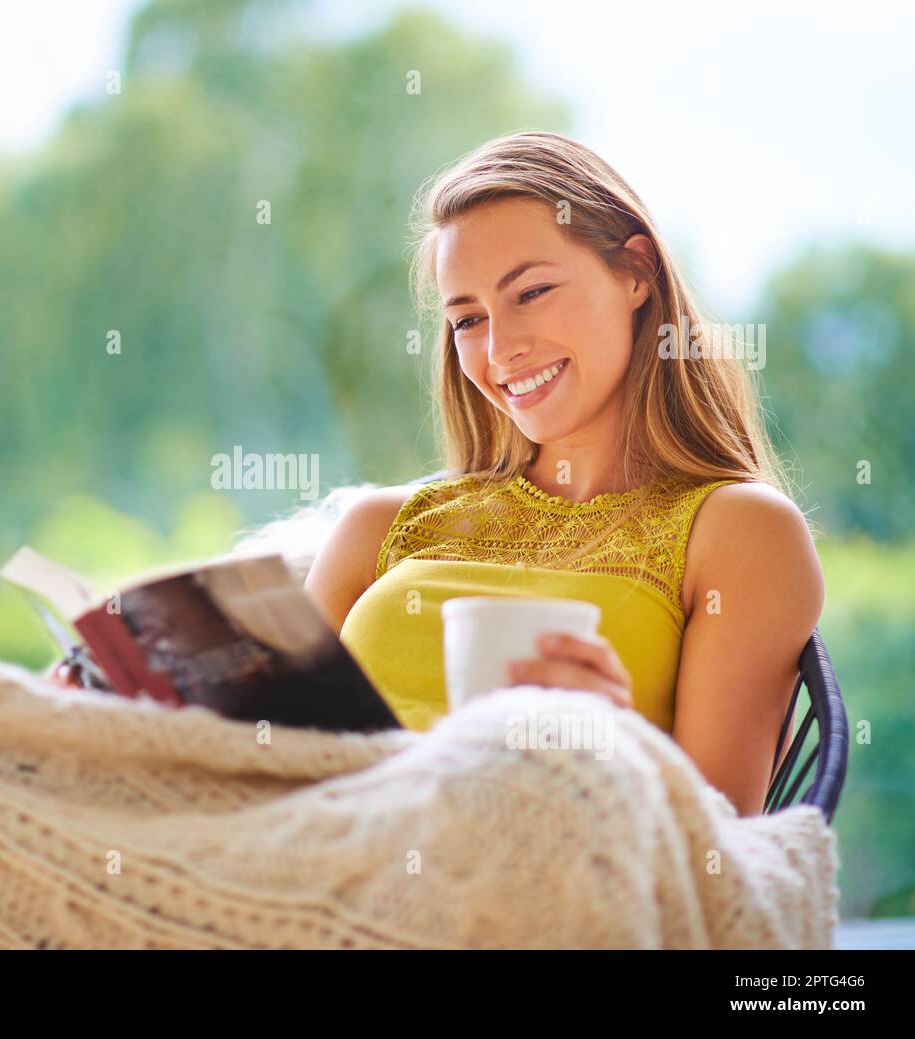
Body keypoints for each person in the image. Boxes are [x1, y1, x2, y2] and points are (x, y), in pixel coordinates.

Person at [303, 131, 824, 818]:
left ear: (636, 272)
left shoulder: (741, 533)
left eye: (532, 291)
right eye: (466, 319)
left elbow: (714, 858)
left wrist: (616, 752)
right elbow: (261, 756)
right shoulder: (376, 527)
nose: (500, 348)